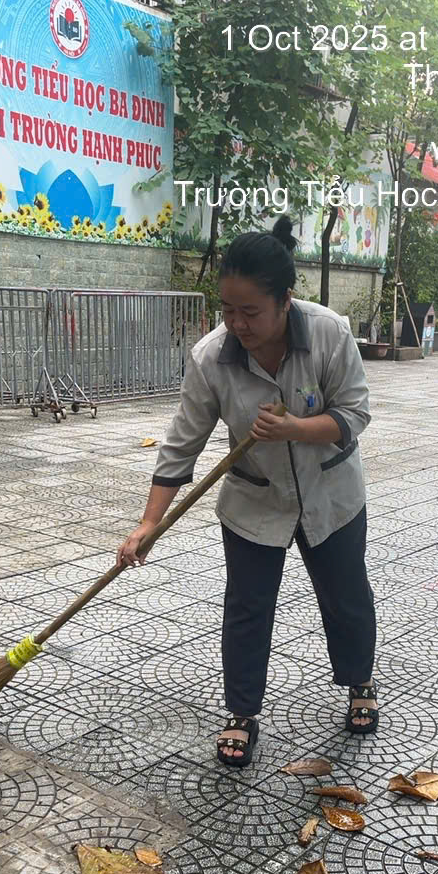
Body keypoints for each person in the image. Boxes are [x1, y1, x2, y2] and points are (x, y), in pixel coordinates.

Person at [116, 216, 378, 767]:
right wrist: (149, 522)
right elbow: (181, 446)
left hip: (331, 496)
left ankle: (358, 682)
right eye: (227, 310)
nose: (237, 323)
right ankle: (241, 712)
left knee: (345, 595)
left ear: (286, 299)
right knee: (247, 608)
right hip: (255, 500)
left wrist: (297, 430)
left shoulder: (330, 333)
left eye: (250, 311)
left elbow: (354, 413)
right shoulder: (212, 358)